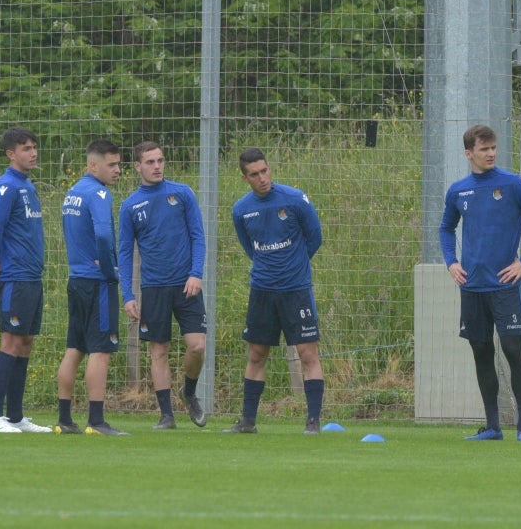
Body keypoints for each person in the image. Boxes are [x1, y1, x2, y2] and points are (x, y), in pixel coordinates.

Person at [440, 124, 521, 442]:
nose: (491, 153)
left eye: (493, 148)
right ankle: (493, 426)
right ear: (469, 153)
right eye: (483, 149)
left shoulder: (512, 184)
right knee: (481, 351)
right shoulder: (458, 190)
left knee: (512, 348)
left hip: (504, 286)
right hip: (472, 287)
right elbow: (446, 228)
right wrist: (451, 262)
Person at [224, 148, 325, 435]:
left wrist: (293, 266)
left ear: (270, 168)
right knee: (257, 354)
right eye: (254, 174)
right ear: (245, 178)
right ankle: (247, 421)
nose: (262, 178)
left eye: (264, 170)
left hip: (296, 289)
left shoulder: (294, 199)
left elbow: (314, 237)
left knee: (307, 353)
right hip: (262, 291)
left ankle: (313, 421)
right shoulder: (241, 210)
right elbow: (249, 247)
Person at [118, 141, 207, 430]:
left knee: (197, 346)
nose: (157, 166)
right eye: (150, 162)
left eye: (160, 160)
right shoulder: (130, 205)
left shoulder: (181, 193)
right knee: (159, 351)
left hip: (186, 285)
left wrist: (196, 273)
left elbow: (198, 236)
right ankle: (166, 415)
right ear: (138, 166)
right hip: (154, 287)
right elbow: (124, 251)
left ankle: (189, 392)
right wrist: (128, 295)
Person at [0, 127, 52, 433]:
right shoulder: (6, 187)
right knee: (9, 342)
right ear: (11, 154)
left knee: (25, 343)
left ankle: (15, 416)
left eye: (35, 147)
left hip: (32, 278)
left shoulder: (28, 186)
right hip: (14, 277)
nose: (33, 153)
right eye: (26, 148)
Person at [56, 139, 129, 436]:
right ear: (92, 165)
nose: (118, 171)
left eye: (119, 164)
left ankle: (64, 420)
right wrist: (110, 269)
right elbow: (102, 233)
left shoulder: (73, 192)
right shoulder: (99, 193)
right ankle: (96, 421)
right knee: (101, 350)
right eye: (111, 165)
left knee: (75, 348)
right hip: (97, 282)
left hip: (76, 279)